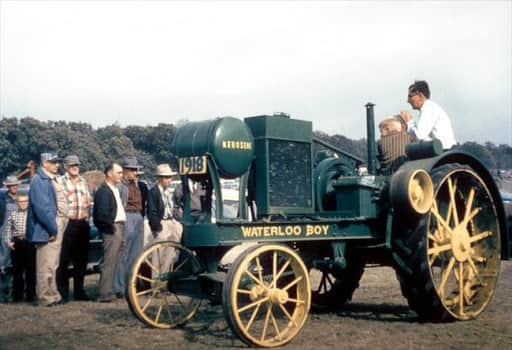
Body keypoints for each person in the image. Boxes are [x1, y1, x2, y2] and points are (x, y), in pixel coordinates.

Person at [27, 152, 69, 307]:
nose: (56, 165)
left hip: (55, 224)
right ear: (44, 163)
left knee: (53, 264)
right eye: (53, 162)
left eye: (57, 162)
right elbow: (42, 209)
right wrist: (52, 229)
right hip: (48, 226)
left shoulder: (50, 178)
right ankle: (45, 297)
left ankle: (53, 294)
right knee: (45, 265)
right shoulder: (39, 180)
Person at [56, 155, 91, 301]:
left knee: (81, 261)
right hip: (67, 224)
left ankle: (79, 292)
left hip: (82, 224)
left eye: (76, 165)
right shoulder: (60, 181)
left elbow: (88, 202)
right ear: (65, 166)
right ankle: (63, 293)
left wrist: (87, 218)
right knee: (63, 260)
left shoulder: (84, 181)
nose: (75, 167)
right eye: (71, 165)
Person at [93, 162, 125, 302]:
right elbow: (101, 215)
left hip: (118, 227)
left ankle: (110, 289)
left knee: (115, 261)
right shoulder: (104, 191)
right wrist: (111, 228)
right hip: (112, 229)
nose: (121, 175)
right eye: (118, 172)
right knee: (109, 262)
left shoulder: (114, 189)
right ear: (109, 173)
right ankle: (104, 293)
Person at [113, 156, 145, 298]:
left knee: (136, 253)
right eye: (132, 170)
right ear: (124, 170)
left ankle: (130, 284)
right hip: (127, 216)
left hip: (138, 216)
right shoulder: (120, 186)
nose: (135, 173)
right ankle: (118, 287)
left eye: (136, 170)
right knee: (123, 253)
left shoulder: (139, 184)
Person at [400, 80, 457, 150]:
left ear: (420, 95)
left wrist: (409, 121)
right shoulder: (430, 108)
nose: (408, 101)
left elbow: (419, 136)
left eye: (410, 96)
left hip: (443, 150)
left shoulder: (429, 109)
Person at [146, 164, 183, 273]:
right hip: (161, 224)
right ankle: (156, 281)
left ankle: (166, 277)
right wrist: (157, 227)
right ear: (160, 178)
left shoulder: (168, 192)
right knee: (159, 254)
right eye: (167, 177)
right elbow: (152, 212)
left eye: (170, 177)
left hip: (171, 222)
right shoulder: (153, 192)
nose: (169, 180)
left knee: (170, 253)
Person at [4, 192, 36, 303]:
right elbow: (8, 228)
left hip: (29, 242)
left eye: (26, 201)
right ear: (17, 202)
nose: (23, 203)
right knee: (17, 271)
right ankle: (17, 296)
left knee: (31, 271)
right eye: (21, 201)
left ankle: (30, 296)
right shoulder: (12, 212)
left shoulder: (32, 213)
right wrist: (8, 242)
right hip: (17, 243)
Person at [0, 175, 21, 302]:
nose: (14, 187)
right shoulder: (3, 199)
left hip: (18, 233)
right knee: (4, 261)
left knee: (17, 263)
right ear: (7, 186)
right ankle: (3, 292)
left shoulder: (21, 198)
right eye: (12, 185)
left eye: (16, 185)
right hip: (5, 232)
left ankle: (16, 291)